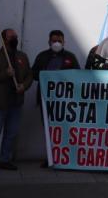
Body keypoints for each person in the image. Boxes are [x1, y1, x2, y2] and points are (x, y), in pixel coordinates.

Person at [0, 29, 33, 173]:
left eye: (16, 36)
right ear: (4, 39)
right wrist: (4, 74)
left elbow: (29, 74)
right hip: (0, 102)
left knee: (11, 133)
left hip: (16, 102)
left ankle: (5, 159)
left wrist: (24, 85)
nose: (15, 38)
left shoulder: (22, 56)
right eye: (12, 37)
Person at [31, 30, 80, 167]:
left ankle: (65, 157)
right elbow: (33, 73)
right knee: (49, 129)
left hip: (65, 102)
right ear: (49, 42)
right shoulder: (42, 56)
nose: (56, 43)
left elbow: (78, 75)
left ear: (64, 42)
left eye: (59, 40)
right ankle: (50, 158)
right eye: (54, 41)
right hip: (46, 100)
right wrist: (44, 75)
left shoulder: (71, 57)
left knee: (64, 129)